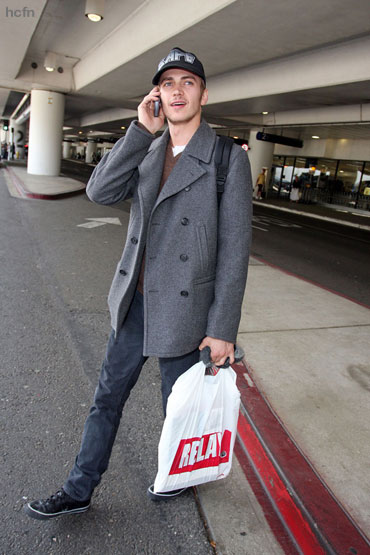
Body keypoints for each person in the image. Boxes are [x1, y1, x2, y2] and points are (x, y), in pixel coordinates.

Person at [25, 47, 252, 520]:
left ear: (203, 94)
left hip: (187, 312)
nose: (177, 91)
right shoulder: (146, 146)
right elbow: (99, 191)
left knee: (179, 411)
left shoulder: (227, 159)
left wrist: (223, 327)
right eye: (168, 83)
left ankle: (173, 478)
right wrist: (137, 131)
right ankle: (79, 487)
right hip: (135, 302)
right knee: (105, 400)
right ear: (156, 94)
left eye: (187, 82)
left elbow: (235, 249)